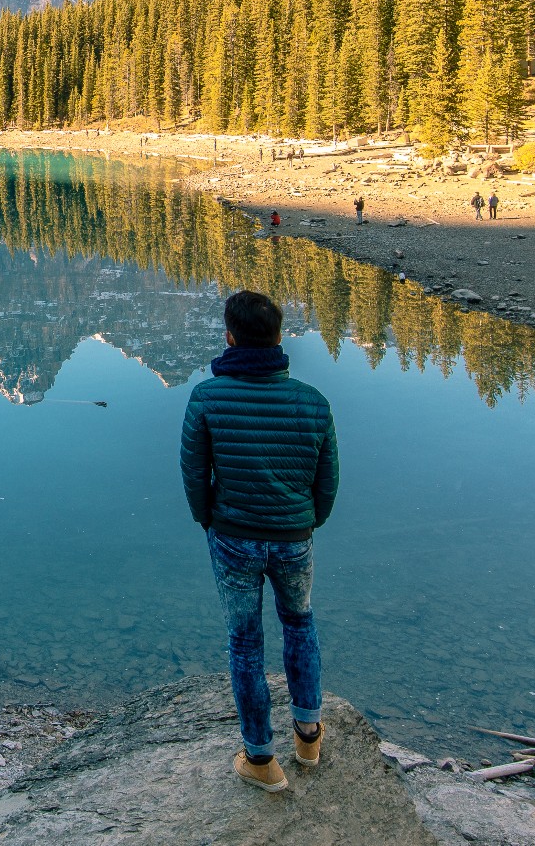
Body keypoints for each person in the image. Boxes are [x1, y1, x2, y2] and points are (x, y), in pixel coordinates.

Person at [180, 290, 340, 793]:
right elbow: (328, 482)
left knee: (245, 642)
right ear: (277, 338)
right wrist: (305, 522)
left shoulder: (208, 396)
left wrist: (210, 520)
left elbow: (192, 474)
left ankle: (260, 758)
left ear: (230, 337)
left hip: (232, 538)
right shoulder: (313, 402)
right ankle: (309, 739)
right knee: (300, 624)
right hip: (294, 536)